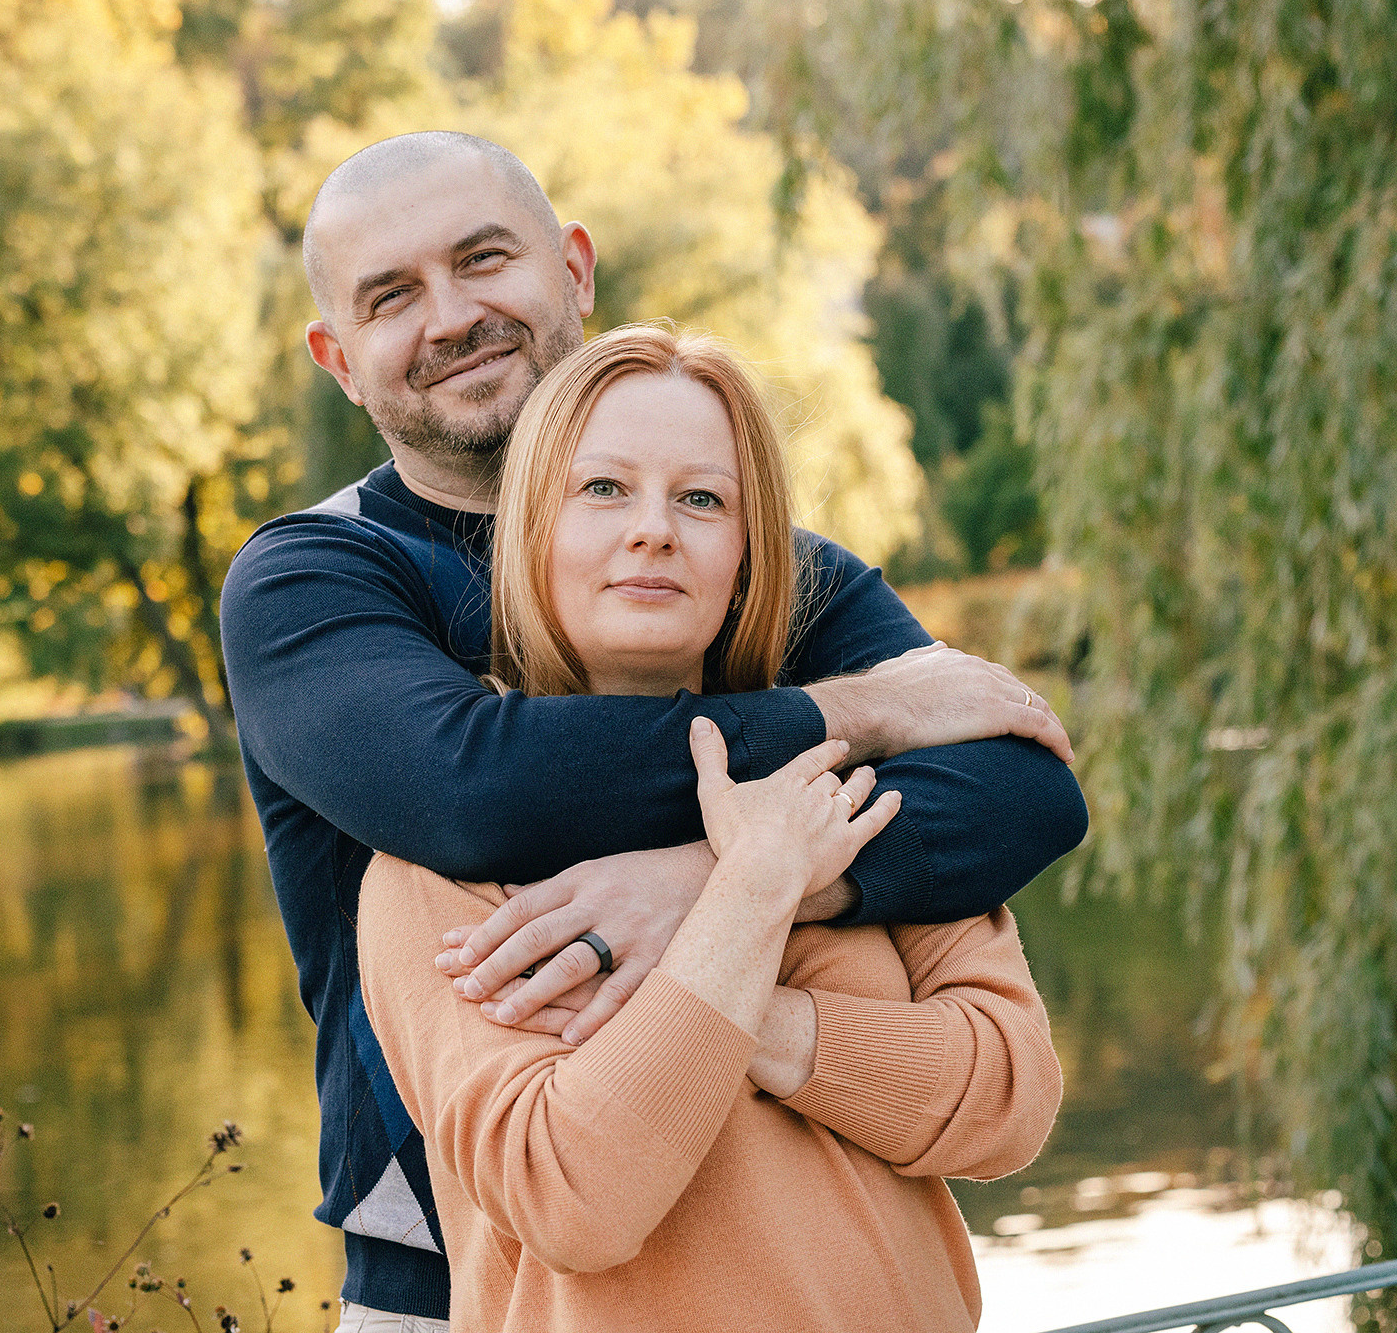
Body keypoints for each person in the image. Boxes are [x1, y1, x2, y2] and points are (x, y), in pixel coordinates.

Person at [217, 130, 1085, 1328]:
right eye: (392, 296)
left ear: (573, 270)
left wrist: (715, 883)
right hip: (467, 1283)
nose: (452, 315)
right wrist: (864, 715)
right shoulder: (315, 581)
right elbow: (472, 793)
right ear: (338, 359)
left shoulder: (756, 572)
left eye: (482, 259)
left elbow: (1022, 793)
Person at [357, 322, 1062, 1331]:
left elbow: (1006, 1101)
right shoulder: (436, 868)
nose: (654, 530)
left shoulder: (854, 786)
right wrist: (749, 894)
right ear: (531, 531)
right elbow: (570, 1194)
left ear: (746, 554)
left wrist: (741, 1004)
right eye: (604, 489)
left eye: (701, 499)